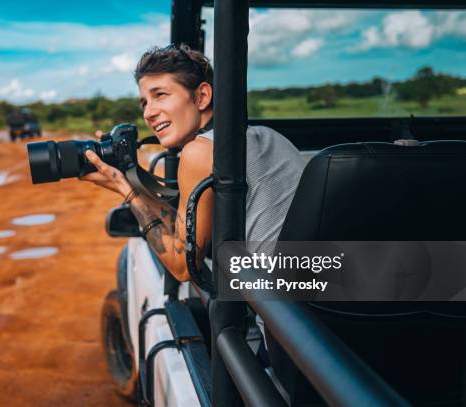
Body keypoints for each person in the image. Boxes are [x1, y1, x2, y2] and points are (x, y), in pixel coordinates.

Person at [79, 44, 306, 282]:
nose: (148, 113)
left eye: (160, 95)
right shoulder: (265, 135)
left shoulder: (199, 151)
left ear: (202, 97)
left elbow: (182, 267)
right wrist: (129, 180)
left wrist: (126, 192)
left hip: (270, 311)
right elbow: (182, 231)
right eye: (144, 103)